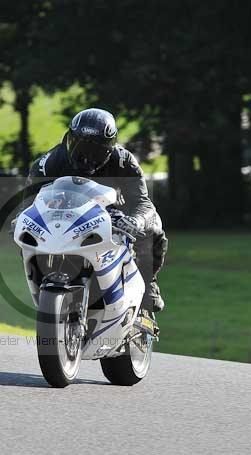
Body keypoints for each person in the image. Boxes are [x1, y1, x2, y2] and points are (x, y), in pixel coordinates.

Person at [25, 108, 167, 313]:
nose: (87, 158)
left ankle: (148, 282)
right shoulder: (49, 163)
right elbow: (28, 203)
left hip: (114, 215)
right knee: (25, 234)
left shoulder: (124, 161)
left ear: (110, 148)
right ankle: (42, 278)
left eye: (97, 151)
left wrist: (135, 221)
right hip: (66, 217)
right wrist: (23, 219)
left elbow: (143, 203)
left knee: (154, 226)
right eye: (82, 147)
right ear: (70, 139)